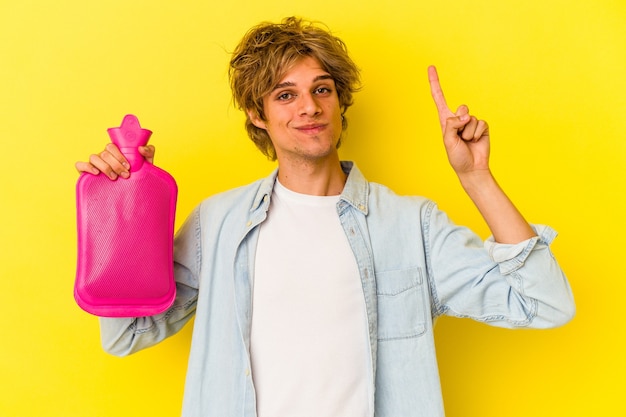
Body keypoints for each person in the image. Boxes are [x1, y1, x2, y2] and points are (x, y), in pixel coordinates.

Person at [75, 16, 575, 417]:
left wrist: (477, 178)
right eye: (285, 95)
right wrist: (126, 209)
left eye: (322, 89)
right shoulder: (219, 223)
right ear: (258, 115)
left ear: (340, 101)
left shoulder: (410, 225)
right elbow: (127, 334)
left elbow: (543, 303)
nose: (309, 108)